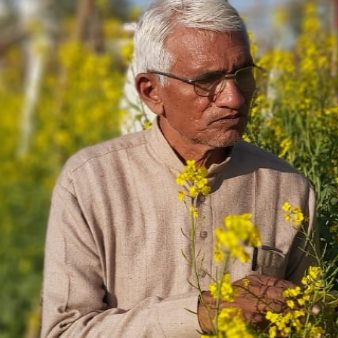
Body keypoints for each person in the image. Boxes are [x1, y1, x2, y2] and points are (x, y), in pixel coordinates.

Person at [41, 0, 315, 336]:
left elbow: (306, 319)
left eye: (243, 74)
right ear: (151, 92)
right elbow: (64, 331)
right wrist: (198, 315)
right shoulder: (89, 184)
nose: (234, 97)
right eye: (208, 81)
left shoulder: (289, 189)